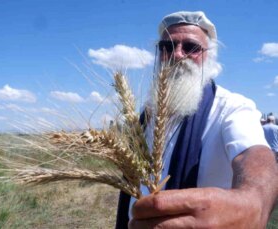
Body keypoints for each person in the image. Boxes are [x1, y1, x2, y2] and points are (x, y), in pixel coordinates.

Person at [116, 11, 278, 228]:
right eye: (168, 47)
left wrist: (253, 201)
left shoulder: (231, 108)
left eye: (191, 47)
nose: (178, 54)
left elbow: (255, 155)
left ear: (208, 56)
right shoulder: (145, 116)